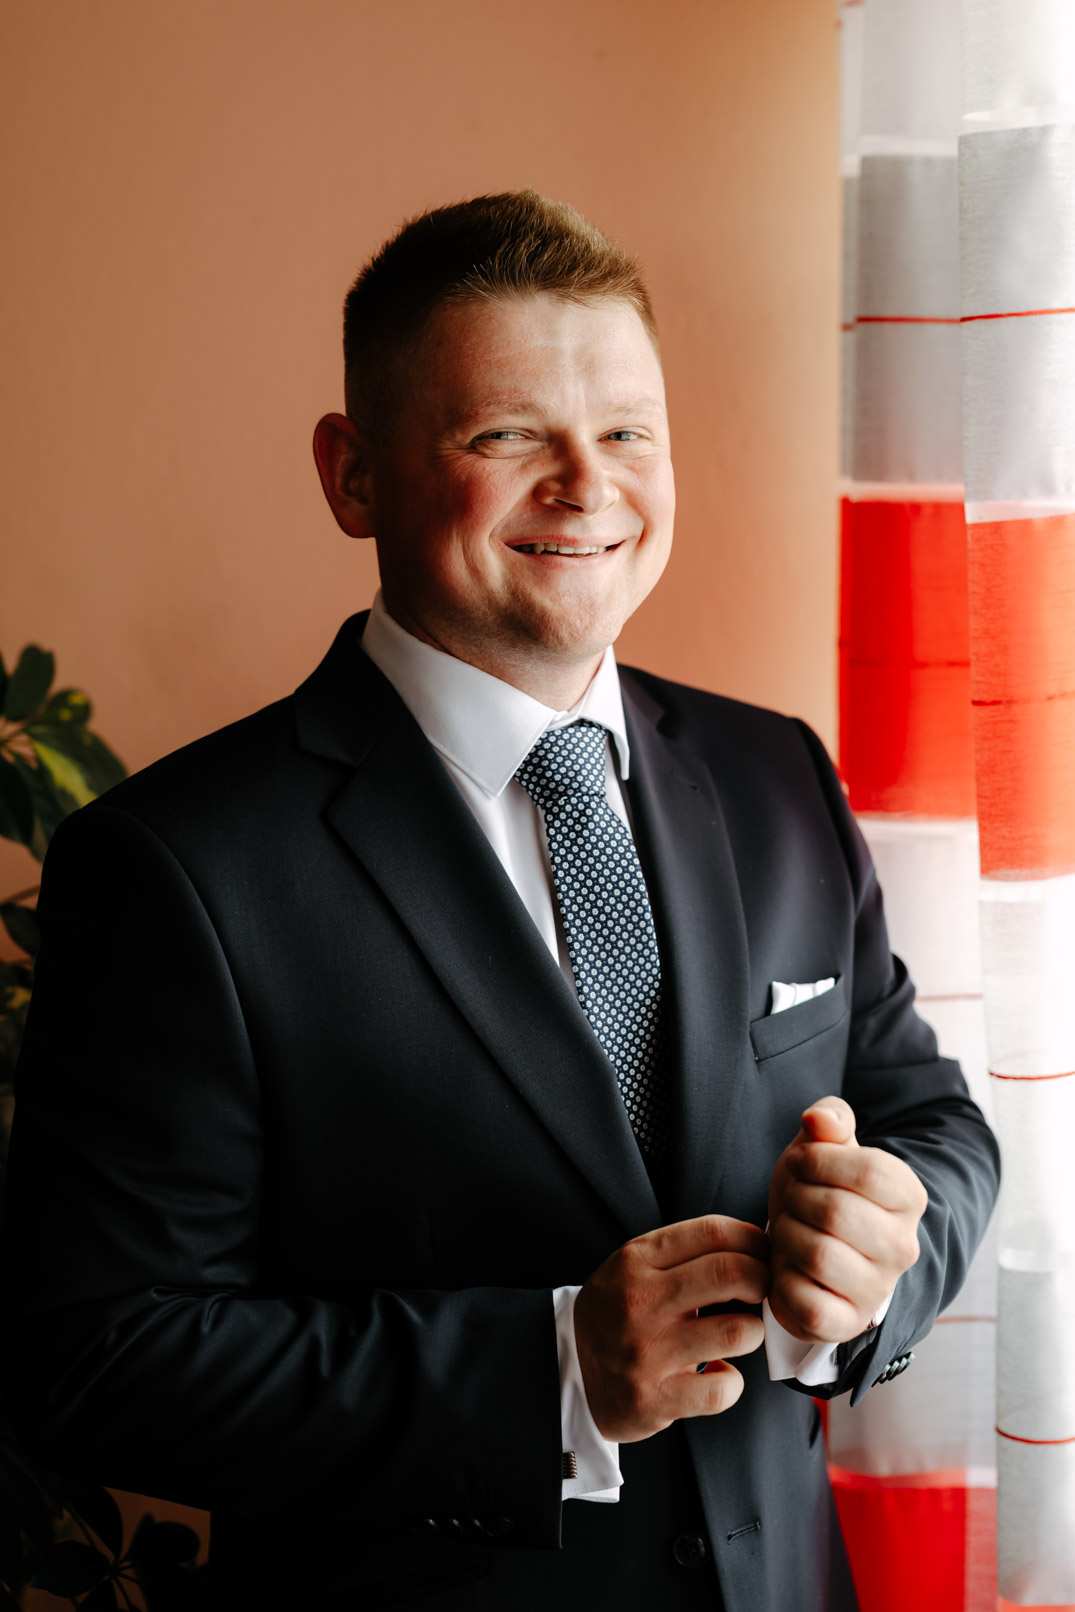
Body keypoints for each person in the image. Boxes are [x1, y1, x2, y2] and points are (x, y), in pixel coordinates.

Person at [0, 191, 999, 1611]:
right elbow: (92, 1360)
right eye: (508, 435)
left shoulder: (777, 772)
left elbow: (935, 1124)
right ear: (355, 476)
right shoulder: (170, 866)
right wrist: (554, 1373)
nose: (588, 486)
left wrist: (881, 1249)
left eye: (628, 432)